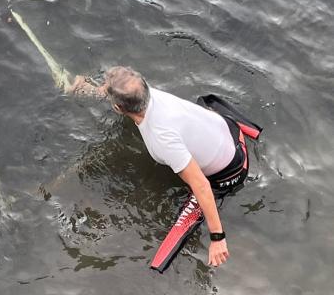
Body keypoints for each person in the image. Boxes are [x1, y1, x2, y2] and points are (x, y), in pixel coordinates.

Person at [69, 66, 261, 269]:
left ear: (117, 108)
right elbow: (121, 87)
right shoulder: (145, 92)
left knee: (197, 190)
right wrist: (87, 89)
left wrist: (217, 237)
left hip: (232, 170)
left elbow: (202, 185)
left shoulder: (162, 138)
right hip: (230, 129)